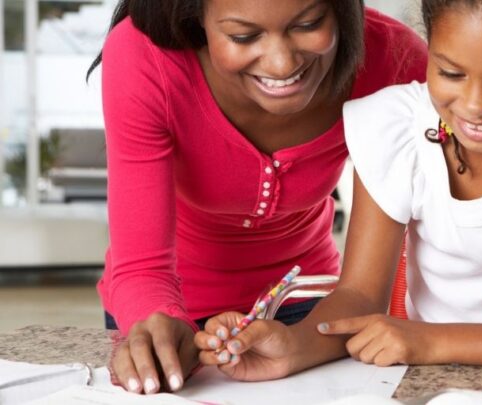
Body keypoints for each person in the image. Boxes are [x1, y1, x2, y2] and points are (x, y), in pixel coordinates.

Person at [195, 0, 482, 379]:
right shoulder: (398, 128)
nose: (476, 106)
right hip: (432, 383)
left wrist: (434, 341)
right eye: (451, 73)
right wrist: (291, 346)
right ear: (429, 48)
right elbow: (359, 295)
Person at [88, 0, 428, 394]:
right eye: (243, 36)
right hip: (162, 313)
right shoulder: (144, 55)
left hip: (310, 310)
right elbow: (142, 267)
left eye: (309, 23)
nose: (282, 64)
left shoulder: (394, 61)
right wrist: (155, 319)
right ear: (196, 17)